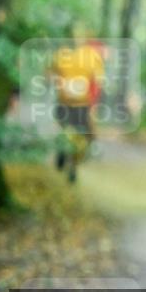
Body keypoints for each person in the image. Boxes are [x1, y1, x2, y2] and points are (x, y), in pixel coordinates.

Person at [50, 28, 105, 183]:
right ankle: (62, 150)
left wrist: (94, 103)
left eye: (79, 36)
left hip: (82, 104)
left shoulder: (91, 56)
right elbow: (50, 73)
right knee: (66, 132)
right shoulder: (61, 55)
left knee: (80, 138)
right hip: (64, 103)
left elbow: (97, 80)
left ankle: (73, 166)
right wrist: (58, 81)